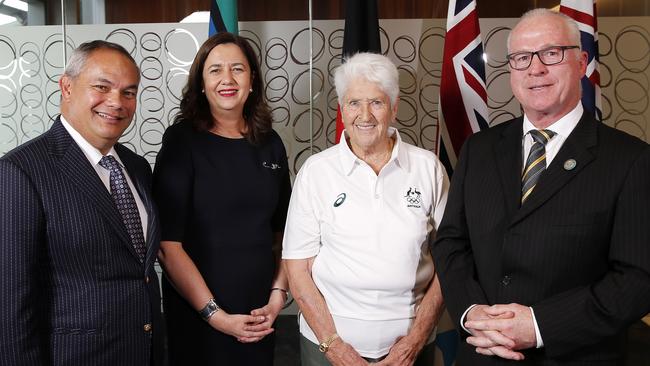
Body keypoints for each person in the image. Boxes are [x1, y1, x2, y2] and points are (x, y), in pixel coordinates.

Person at [432, 8, 650, 365]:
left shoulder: (631, 161)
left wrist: (539, 325)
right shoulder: (479, 150)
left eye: (551, 53)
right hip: (482, 355)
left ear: (581, 63)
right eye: (521, 58)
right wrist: (471, 312)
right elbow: (452, 244)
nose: (535, 68)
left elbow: (638, 279)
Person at [0, 40, 164, 365]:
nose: (117, 102)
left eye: (129, 93)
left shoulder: (137, 167)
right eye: (102, 87)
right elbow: (11, 304)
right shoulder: (20, 171)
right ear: (67, 87)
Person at [283, 52, 449, 366]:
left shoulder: (428, 169)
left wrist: (414, 341)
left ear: (394, 108)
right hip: (327, 347)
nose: (365, 115)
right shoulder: (316, 172)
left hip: (411, 349)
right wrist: (334, 346)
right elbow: (298, 270)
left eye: (376, 102)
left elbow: (449, 262)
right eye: (354, 103)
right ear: (342, 109)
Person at [153, 32, 291, 366]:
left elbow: (286, 234)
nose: (226, 79)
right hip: (200, 317)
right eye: (215, 70)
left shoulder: (270, 143)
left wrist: (277, 296)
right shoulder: (181, 141)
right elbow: (167, 246)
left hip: (260, 316)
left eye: (237, 69)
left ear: (252, 79)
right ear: (201, 82)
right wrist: (215, 315)